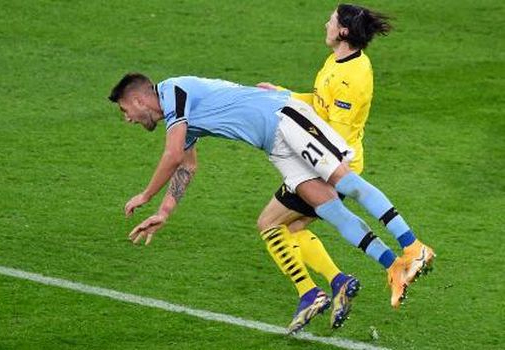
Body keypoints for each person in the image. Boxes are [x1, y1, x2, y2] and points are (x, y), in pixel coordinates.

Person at [108, 72, 433, 334]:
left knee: (346, 182)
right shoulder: (181, 119)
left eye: (125, 110)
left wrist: (146, 195)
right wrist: (164, 211)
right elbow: (187, 165)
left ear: (137, 99)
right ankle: (393, 265)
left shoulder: (174, 91)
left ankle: (414, 247)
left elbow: (173, 154)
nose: (128, 119)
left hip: (285, 119)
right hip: (274, 145)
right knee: (328, 208)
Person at [254, 3, 433, 331]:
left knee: (269, 224)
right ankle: (382, 269)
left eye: (332, 21)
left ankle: (319, 289)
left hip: (327, 163)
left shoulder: (353, 77)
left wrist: (315, 162)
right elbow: (319, 101)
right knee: (296, 229)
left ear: (344, 32)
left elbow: (336, 131)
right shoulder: (338, 60)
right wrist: (283, 95)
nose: (326, 24)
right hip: (322, 159)